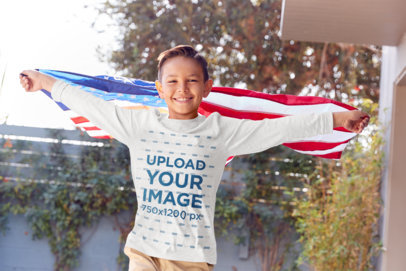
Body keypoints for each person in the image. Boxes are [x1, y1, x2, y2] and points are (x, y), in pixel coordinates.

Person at [19, 45, 369, 271]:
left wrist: (335, 119)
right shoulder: (137, 124)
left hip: (190, 258)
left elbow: (278, 129)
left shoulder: (221, 130)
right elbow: (92, 104)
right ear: (159, 89)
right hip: (144, 252)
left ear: (207, 87)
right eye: (171, 81)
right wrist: (44, 81)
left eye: (191, 80)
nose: (182, 88)